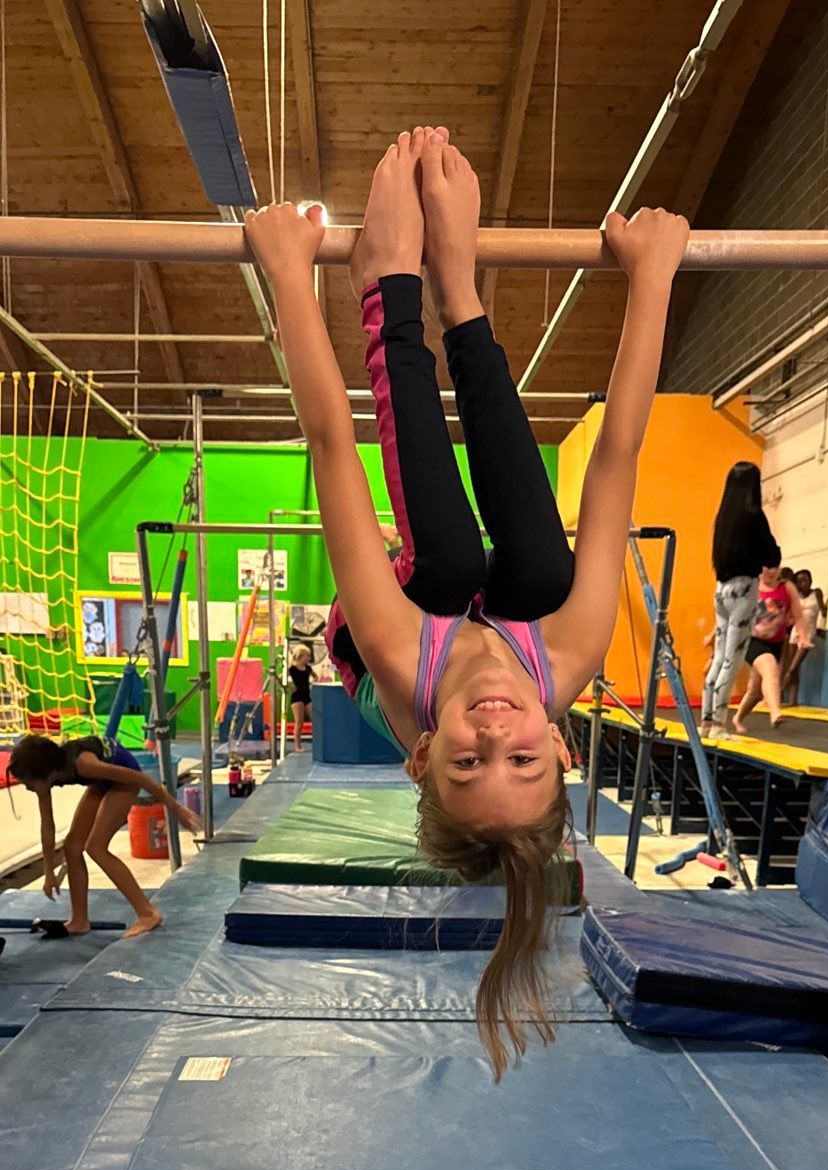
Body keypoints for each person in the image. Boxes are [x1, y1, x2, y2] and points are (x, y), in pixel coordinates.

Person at [245, 126, 689, 1080]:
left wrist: (297, 273)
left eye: (467, 757)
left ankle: (398, 288)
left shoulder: (403, 662)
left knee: (446, 560)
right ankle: (463, 293)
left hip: (399, 628)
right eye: (522, 754)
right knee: (538, 567)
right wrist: (652, 278)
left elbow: (331, 449)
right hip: (507, 614)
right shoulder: (565, 653)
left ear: (421, 754)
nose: (494, 729)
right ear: (563, 744)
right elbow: (616, 461)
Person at [8, 733, 201, 938]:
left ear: (46, 774)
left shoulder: (84, 765)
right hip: (100, 781)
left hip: (125, 777)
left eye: (28, 783)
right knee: (72, 846)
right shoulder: (47, 778)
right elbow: (47, 827)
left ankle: (148, 913)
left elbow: (140, 778)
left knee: (96, 847)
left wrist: (175, 807)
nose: (27, 788)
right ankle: (79, 920)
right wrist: (49, 873)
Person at [700, 461, 781, 739]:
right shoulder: (754, 516)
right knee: (731, 660)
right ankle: (719, 725)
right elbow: (772, 556)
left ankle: (706, 723)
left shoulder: (723, 519)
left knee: (719, 656)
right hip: (744, 591)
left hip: (721, 590)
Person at [733, 566, 813, 734]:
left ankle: (738, 717)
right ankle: (775, 712)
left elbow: (799, 615)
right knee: (771, 670)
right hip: (752, 641)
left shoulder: (786, 587)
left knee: (754, 691)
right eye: (766, 569)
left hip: (774, 643)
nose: (771, 573)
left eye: (774, 569)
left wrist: (804, 637)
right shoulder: (750, 586)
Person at [781, 568, 826, 706]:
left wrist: (823, 624)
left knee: (792, 668)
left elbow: (823, 610)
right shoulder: (795, 596)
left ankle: (779, 689)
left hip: (809, 634)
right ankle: (793, 700)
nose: (802, 584)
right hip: (795, 632)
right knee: (795, 669)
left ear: (811, 581)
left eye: (805, 580)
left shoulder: (816, 593)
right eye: (799, 582)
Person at [287, 643, 314, 752]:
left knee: (315, 720)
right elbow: (281, 678)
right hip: (297, 697)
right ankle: (298, 745)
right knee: (299, 723)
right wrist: (289, 687)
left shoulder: (308, 668)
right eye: (306, 656)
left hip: (307, 696)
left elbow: (315, 676)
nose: (308, 658)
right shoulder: (292, 669)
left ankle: (317, 742)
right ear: (300, 656)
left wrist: (313, 685)